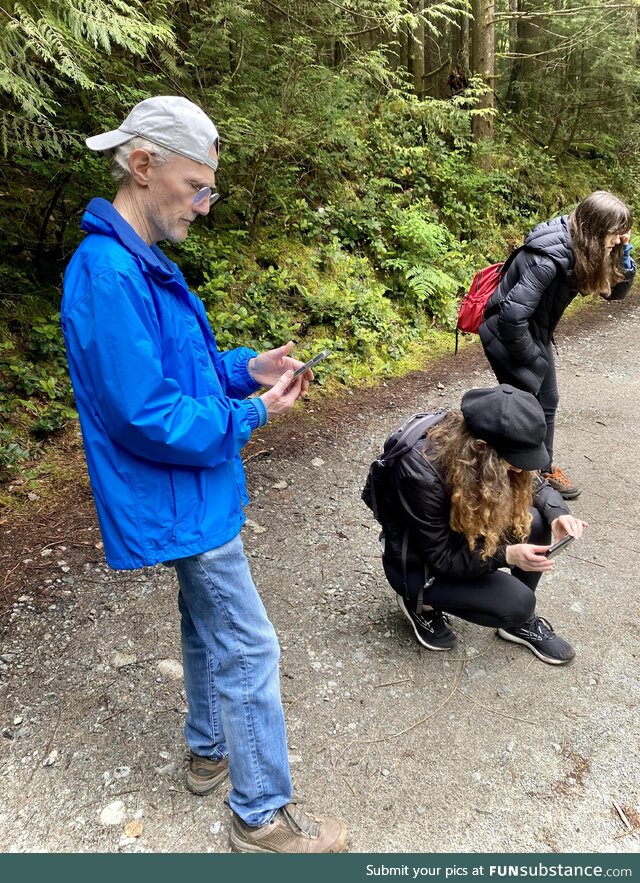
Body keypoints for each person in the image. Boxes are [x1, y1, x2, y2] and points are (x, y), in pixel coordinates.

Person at [61, 95, 347, 854]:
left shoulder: (139, 263)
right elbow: (146, 411)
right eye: (198, 187)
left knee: (202, 620)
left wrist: (246, 370)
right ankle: (261, 816)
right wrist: (253, 416)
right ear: (145, 165)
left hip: (191, 490)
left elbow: (180, 374)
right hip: (178, 491)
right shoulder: (108, 272)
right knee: (249, 645)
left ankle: (209, 746)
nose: (205, 206)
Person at [375, 385, 587, 665]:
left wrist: (558, 512)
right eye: (516, 461)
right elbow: (441, 557)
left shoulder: (482, 442)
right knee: (518, 604)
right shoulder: (419, 475)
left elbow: (533, 480)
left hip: (459, 537)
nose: (522, 469)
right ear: (482, 450)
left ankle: (517, 626)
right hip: (419, 563)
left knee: (537, 522)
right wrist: (507, 555)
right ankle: (420, 605)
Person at [479, 190, 635, 500]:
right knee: (526, 408)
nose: (618, 238)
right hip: (507, 332)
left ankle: (539, 470)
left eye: (623, 233)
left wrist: (624, 252)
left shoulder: (584, 246)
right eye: (615, 233)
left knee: (545, 403)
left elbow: (614, 293)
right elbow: (511, 317)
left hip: (531, 331)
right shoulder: (546, 259)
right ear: (595, 228)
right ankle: (516, 476)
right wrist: (534, 359)